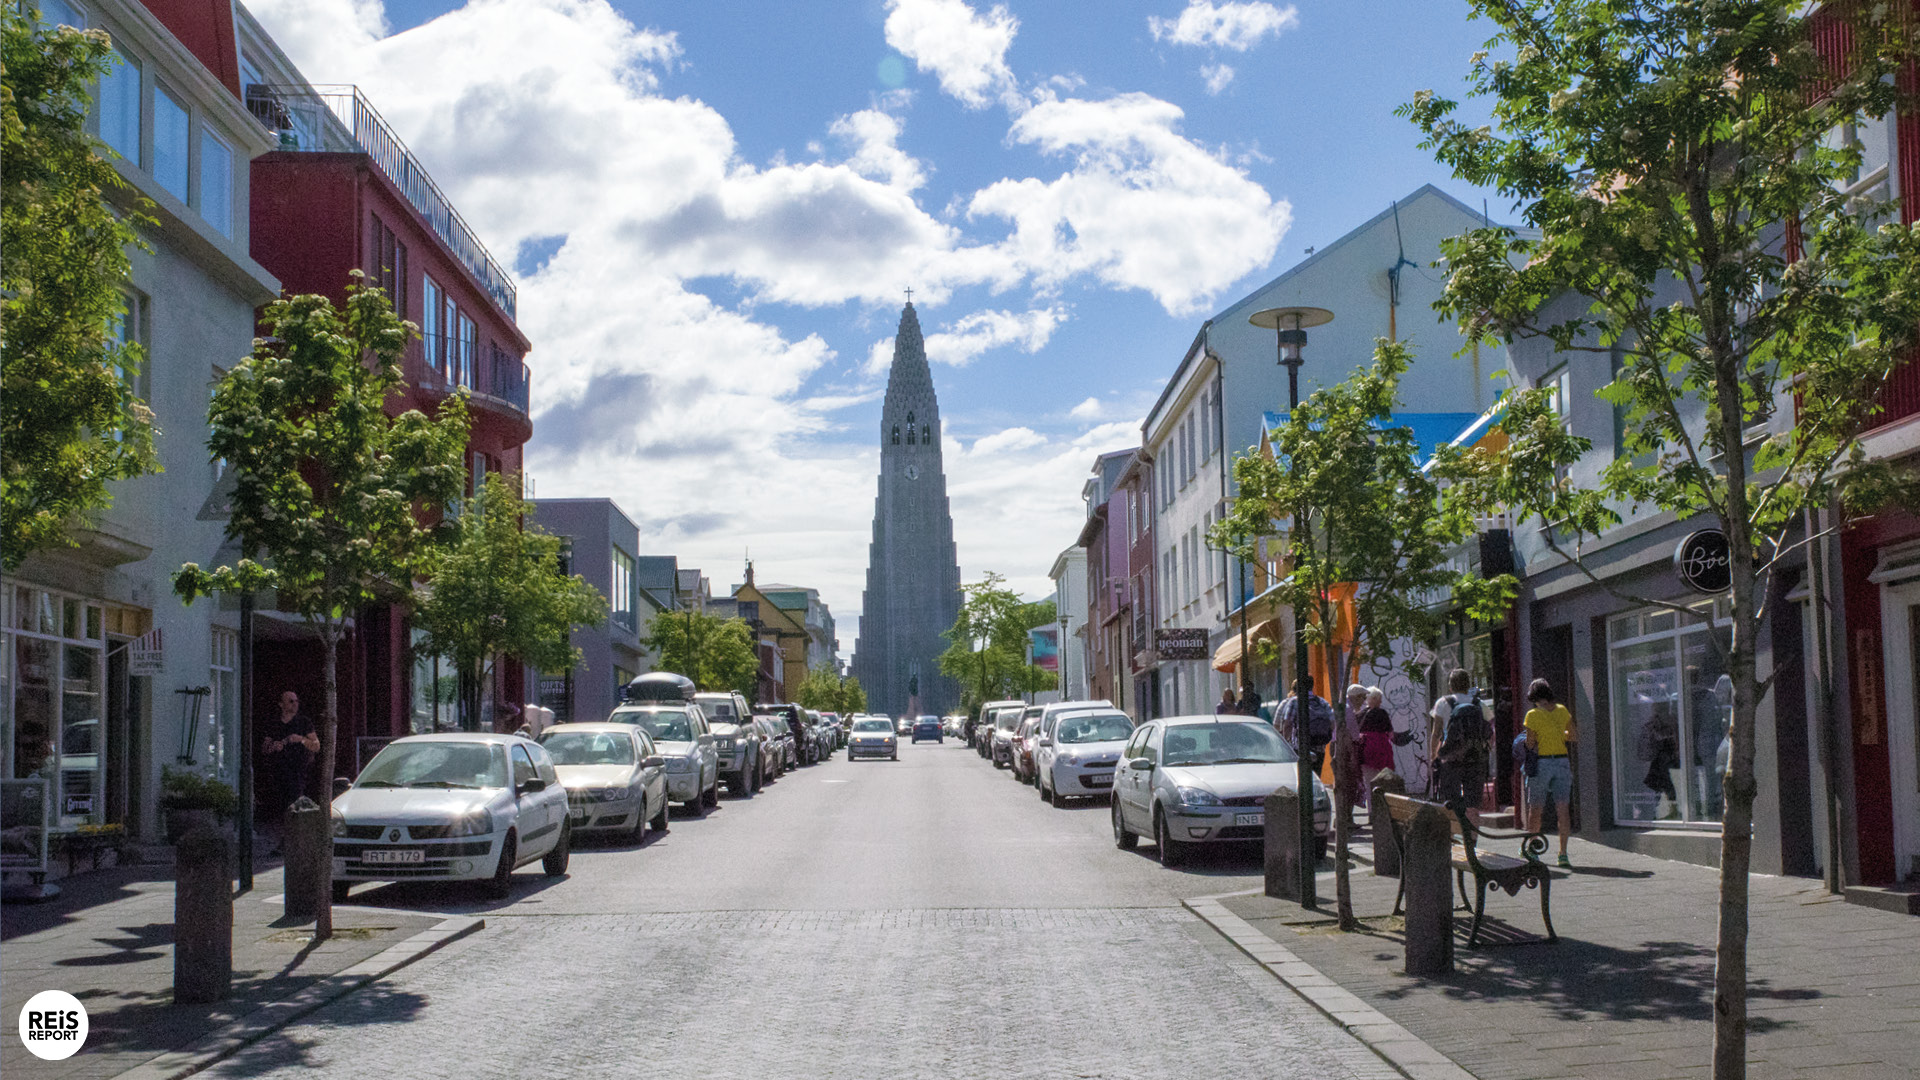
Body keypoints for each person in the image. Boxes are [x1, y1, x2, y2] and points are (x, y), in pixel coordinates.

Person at [1522, 678, 1576, 868]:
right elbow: (1573, 736)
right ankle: (1563, 854)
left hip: (1542, 763)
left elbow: (1530, 743)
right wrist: (1559, 735)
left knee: (1536, 809)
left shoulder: (1532, 715)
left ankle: (1532, 849)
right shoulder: (1562, 710)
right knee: (1563, 809)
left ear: (1534, 697)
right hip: (1562, 761)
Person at [260, 690, 319, 856]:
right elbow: (265, 748)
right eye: (291, 701)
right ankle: (286, 840)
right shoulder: (274, 724)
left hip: (298, 771)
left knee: (295, 804)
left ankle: (292, 841)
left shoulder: (304, 723)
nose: (295, 704)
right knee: (282, 807)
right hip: (279, 771)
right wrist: (274, 747)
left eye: (296, 701)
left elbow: (316, 745)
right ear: (281, 704)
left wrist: (301, 739)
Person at [1428, 668, 1490, 808]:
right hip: (1475, 757)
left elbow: (1436, 733)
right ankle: (1472, 822)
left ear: (1450, 686)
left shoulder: (1442, 703)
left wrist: (1433, 756)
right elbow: (1489, 732)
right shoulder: (1479, 703)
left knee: (1451, 803)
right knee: (1473, 804)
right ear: (1468, 685)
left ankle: (1457, 822)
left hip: (1450, 758)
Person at [1276, 675, 1335, 777]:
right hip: (1319, 747)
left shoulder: (1294, 702)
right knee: (1316, 777)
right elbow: (1332, 724)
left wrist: (1286, 743)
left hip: (1299, 748)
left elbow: (1287, 724)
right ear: (1312, 686)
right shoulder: (1322, 702)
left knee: (1300, 778)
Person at [1357, 687, 1398, 795]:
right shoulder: (1382, 713)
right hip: (1381, 750)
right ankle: (1381, 802)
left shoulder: (1361, 714)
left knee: (1368, 781)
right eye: (1379, 699)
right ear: (1374, 699)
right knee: (1383, 780)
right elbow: (1390, 733)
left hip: (1365, 752)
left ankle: (1370, 804)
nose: (1381, 701)